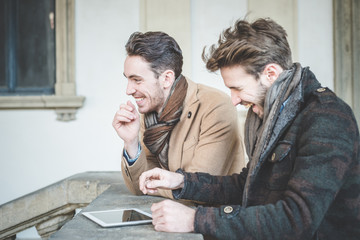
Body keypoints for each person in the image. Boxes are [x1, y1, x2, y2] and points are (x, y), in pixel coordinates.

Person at [138, 18, 360, 239]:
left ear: (270, 74)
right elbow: (246, 186)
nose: (233, 100)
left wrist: (195, 219)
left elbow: (297, 219)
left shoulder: (327, 118)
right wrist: (181, 181)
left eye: (238, 88)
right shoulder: (273, 115)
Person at [112, 31, 245, 199]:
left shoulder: (216, 106)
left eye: (137, 80)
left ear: (167, 78)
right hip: (172, 214)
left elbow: (199, 189)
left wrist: (156, 183)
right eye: (128, 80)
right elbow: (139, 186)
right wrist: (131, 143)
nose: (128, 90)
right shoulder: (150, 111)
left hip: (215, 219)